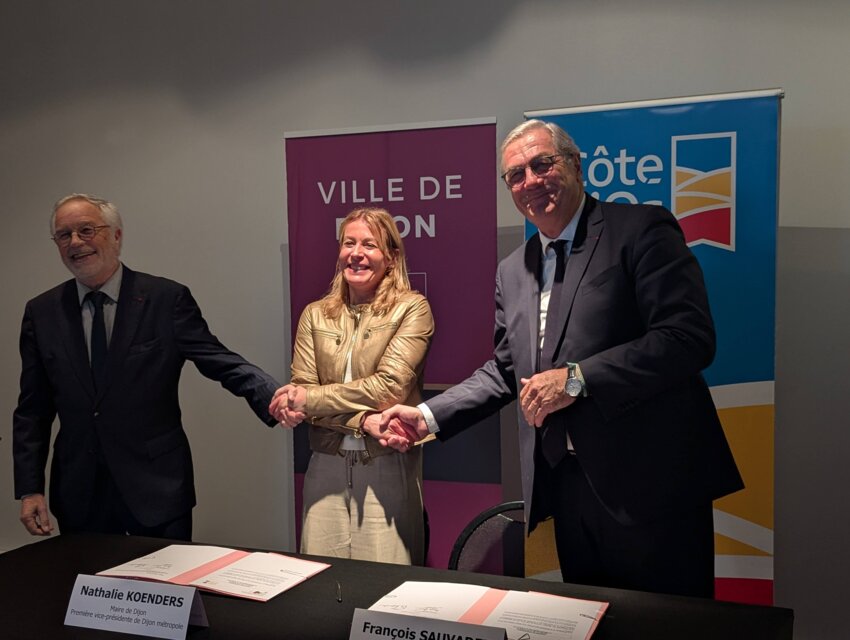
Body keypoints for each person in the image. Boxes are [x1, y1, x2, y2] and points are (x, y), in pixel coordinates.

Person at [380, 120, 744, 597]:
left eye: (542, 164)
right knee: (589, 622)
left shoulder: (640, 229)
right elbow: (506, 370)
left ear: (575, 165)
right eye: (515, 175)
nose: (530, 181)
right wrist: (427, 416)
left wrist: (577, 379)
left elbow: (686, 337)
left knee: (669, 627)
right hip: (568, 490)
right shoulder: (513, 269)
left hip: (653, 486)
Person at [13, 193, 281, 540]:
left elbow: (218, 359)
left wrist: (274, 395)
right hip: (80, 492)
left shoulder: (165, 299)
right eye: (64, 235)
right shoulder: (42, 312)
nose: (75, 242)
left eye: (86, 230)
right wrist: (30, 489)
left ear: (116, 236)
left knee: (166, 577)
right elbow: (32, 409)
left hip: (157, 487)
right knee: (87, 577)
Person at [270, 207, 433, 565]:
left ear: (391, 258)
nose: (356, 253)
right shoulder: (314, 314)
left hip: (386, 464)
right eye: (349, 243)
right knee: (320, 578)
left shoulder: (412, 309)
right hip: (325, 465)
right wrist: (362, 421)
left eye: (369, 245)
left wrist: (309, 399)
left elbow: (389, 388)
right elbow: (303, 394)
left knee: (386, 583)